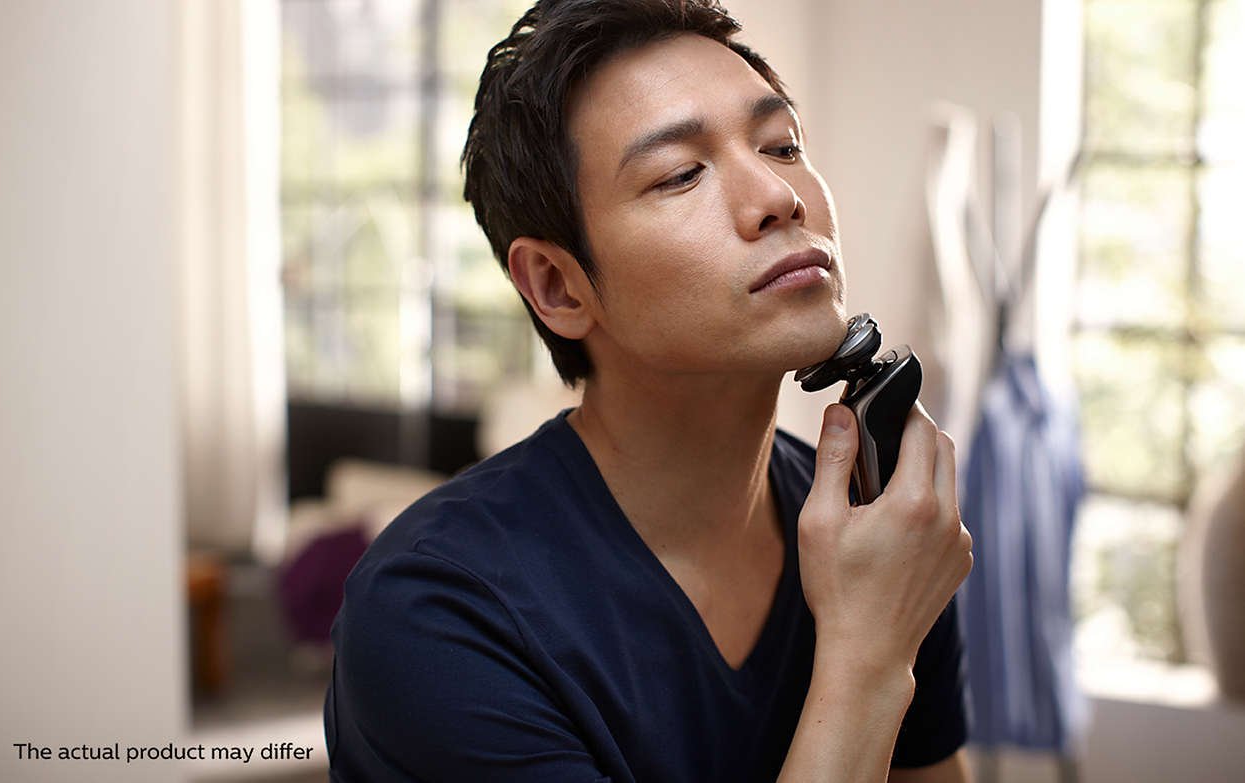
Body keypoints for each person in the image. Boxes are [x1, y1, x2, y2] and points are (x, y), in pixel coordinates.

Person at [324, 1, 975, 781]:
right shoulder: (433, 610)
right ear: (558, 285)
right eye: (680, 174)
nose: (778, 195)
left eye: (782, 144)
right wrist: (867, 655)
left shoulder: (884, 531)